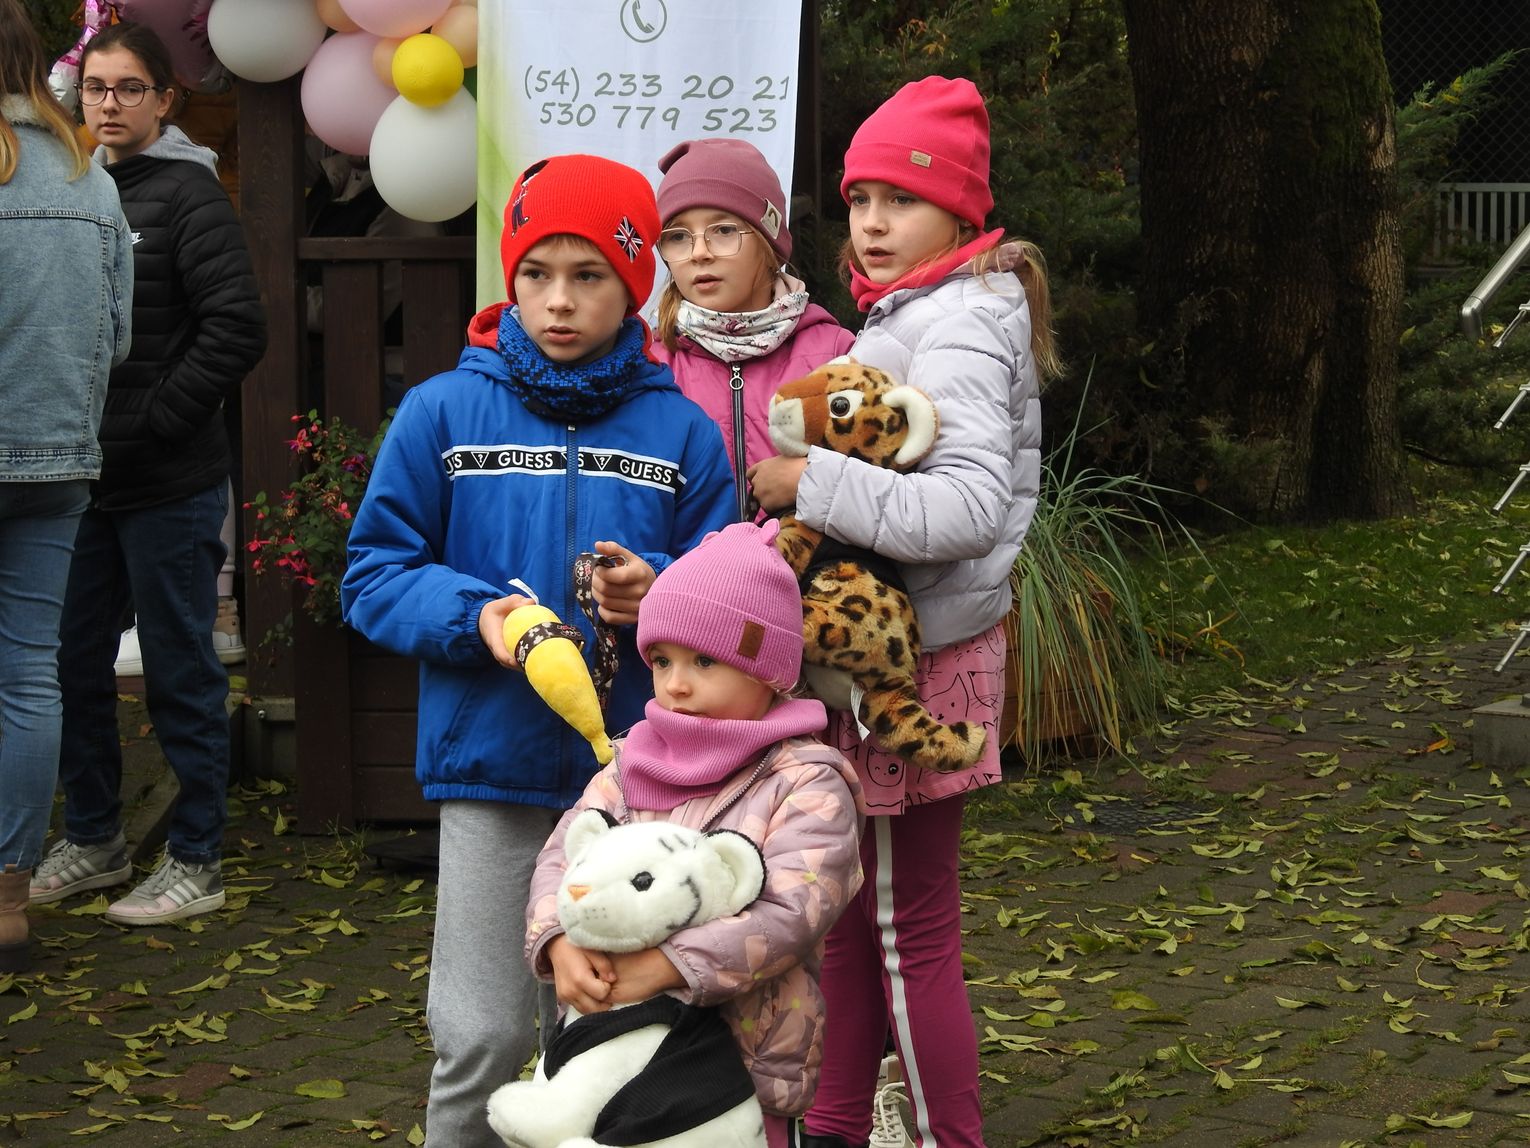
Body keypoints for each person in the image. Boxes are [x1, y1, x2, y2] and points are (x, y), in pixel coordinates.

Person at [339, 153, 737, 1148]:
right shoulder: (442, 412)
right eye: (537, 272)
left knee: (608, 1031)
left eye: (590, 274)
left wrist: (664, 591)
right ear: (509, 276)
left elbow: (738, 596)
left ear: (635, 281)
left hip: (643, 783)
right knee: (476, 1031)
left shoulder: (681, 432)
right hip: (491, 768)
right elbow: (373, 572)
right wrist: (477, 616)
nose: (559, 301)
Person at [747, 77, 1062, 1148]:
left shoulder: (966, 317)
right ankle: (834, 1126)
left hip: (915, 667)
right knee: (852, 918)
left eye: (901, 201)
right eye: (859, 199)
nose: (873, 225)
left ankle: (943, 1136)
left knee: (900, 925)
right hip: (884, 651)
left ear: (963, 214)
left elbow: (968, 507)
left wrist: (808, 487)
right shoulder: (926, 306)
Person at [28, 21, 267, 926]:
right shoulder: (67, 187)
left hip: (170, 484)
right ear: (74, 96)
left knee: (180, 672)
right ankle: (93, 838)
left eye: (131, 89)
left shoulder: (189, 197)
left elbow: (236, 329)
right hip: (76, 482)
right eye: (96, 88)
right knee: (68, 667)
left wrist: (161, 419)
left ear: (165, 100)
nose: (111, 104)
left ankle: (198, 858)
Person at [526, 520, 865, 1148]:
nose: (676, 684)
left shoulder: (806, 781)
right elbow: (563, 855)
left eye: (705, 661)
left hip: (744, 1062)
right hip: (613, 1052)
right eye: (662, 660)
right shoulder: (632, 761)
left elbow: (792, 913)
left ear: (769, 671)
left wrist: (668, 966)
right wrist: (556, 942)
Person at [0, 0, 133, 973]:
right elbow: (118, 337)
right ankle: (8, 893)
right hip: (58, 456)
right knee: (26, 674)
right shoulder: (88, 173)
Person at [651, 138, 853, 519]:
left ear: (769, 242)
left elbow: (877, 465)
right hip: (688, 577)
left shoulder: (836, 353)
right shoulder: (652, 364)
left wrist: (812, 478)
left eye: (724, 230)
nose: (699, 252)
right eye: (677, 236)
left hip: (807, 574)